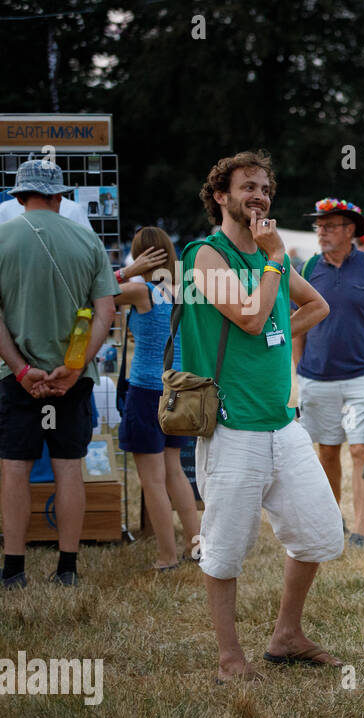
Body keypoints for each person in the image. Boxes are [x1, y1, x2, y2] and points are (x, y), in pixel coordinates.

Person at [183, 150, 342, 683]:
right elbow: (250, 317)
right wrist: (274, 263)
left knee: (320, 534)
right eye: (247, 186)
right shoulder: (204, 256)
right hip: (231, 426)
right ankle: (230, 658)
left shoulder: (271, 257)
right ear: (221, 196)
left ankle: (286, 636)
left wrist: (278, 330)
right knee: (224, 550)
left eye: (265, 187)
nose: (259, 195)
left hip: (282, 422)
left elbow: (316, 306)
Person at [0, 160, 119, 588]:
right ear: (58, 197)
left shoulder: (2, 238)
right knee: (69, 466)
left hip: (17, 377)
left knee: (14, 467)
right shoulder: (86, 241)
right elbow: (106, 312)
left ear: (18, 196)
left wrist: (22, 369)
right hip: (74, 376)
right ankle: (67, 568)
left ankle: (13, 569)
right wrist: (73, 368)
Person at [296, 197, 364, 548]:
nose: (321, 232)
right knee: (327, 451)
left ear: (350, 230)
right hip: (316, 376)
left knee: (360, 450)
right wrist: (297, 369)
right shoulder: (309, 268)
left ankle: (361, 527)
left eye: (329, 226)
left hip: (363, 375)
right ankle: (332, 517)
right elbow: (299, 323)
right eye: (319, 226)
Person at [113, 226, 202, 571]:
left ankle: (167, 555)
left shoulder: (139, 290)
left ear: (140, 256)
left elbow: (92, 292)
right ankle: (195, 547)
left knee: (152, 479)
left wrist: (127, 271)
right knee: (175, 472)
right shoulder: (184, 291)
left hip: (148, 390)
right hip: (181, 388)